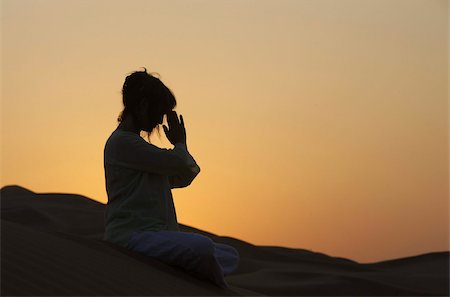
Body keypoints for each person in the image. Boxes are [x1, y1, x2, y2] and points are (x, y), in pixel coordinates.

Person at [103, 68, 239, 289]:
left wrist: (179, 149)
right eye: (159, 111)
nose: (159, 120)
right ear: (143, 106)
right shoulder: (123, 144)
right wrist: (180, 143)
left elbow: (183, 175)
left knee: (228, 255)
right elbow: (178, 163)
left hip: (156, 235)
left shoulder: (142, 150)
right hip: (132, 237)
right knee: (202, 248)